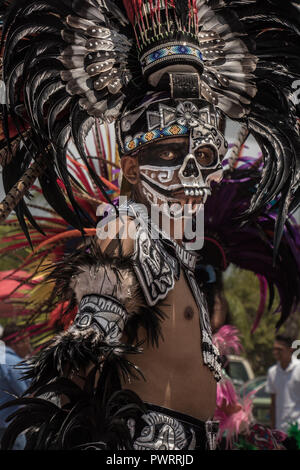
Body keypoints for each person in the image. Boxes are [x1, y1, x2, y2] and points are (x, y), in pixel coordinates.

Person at [0, 0, 299, 451]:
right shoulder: (129, 235)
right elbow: (78, 360)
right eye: (170, 154)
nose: (193, 176)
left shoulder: (173, 251)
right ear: (134, 169)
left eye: (203, 158)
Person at [0, 322, 31, 450]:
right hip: (10, 427)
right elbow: (28, 397)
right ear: (16, 343)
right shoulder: (14, 364)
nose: (29, 347)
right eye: (27, 341)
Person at [266, 335, 300, 433]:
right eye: (274, 349)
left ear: (291, 349)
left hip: (298, 429)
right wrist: (273, 428)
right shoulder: (272, 372)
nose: (276, 352)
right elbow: (273, 403)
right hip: (280, 430)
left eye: (279, 349)